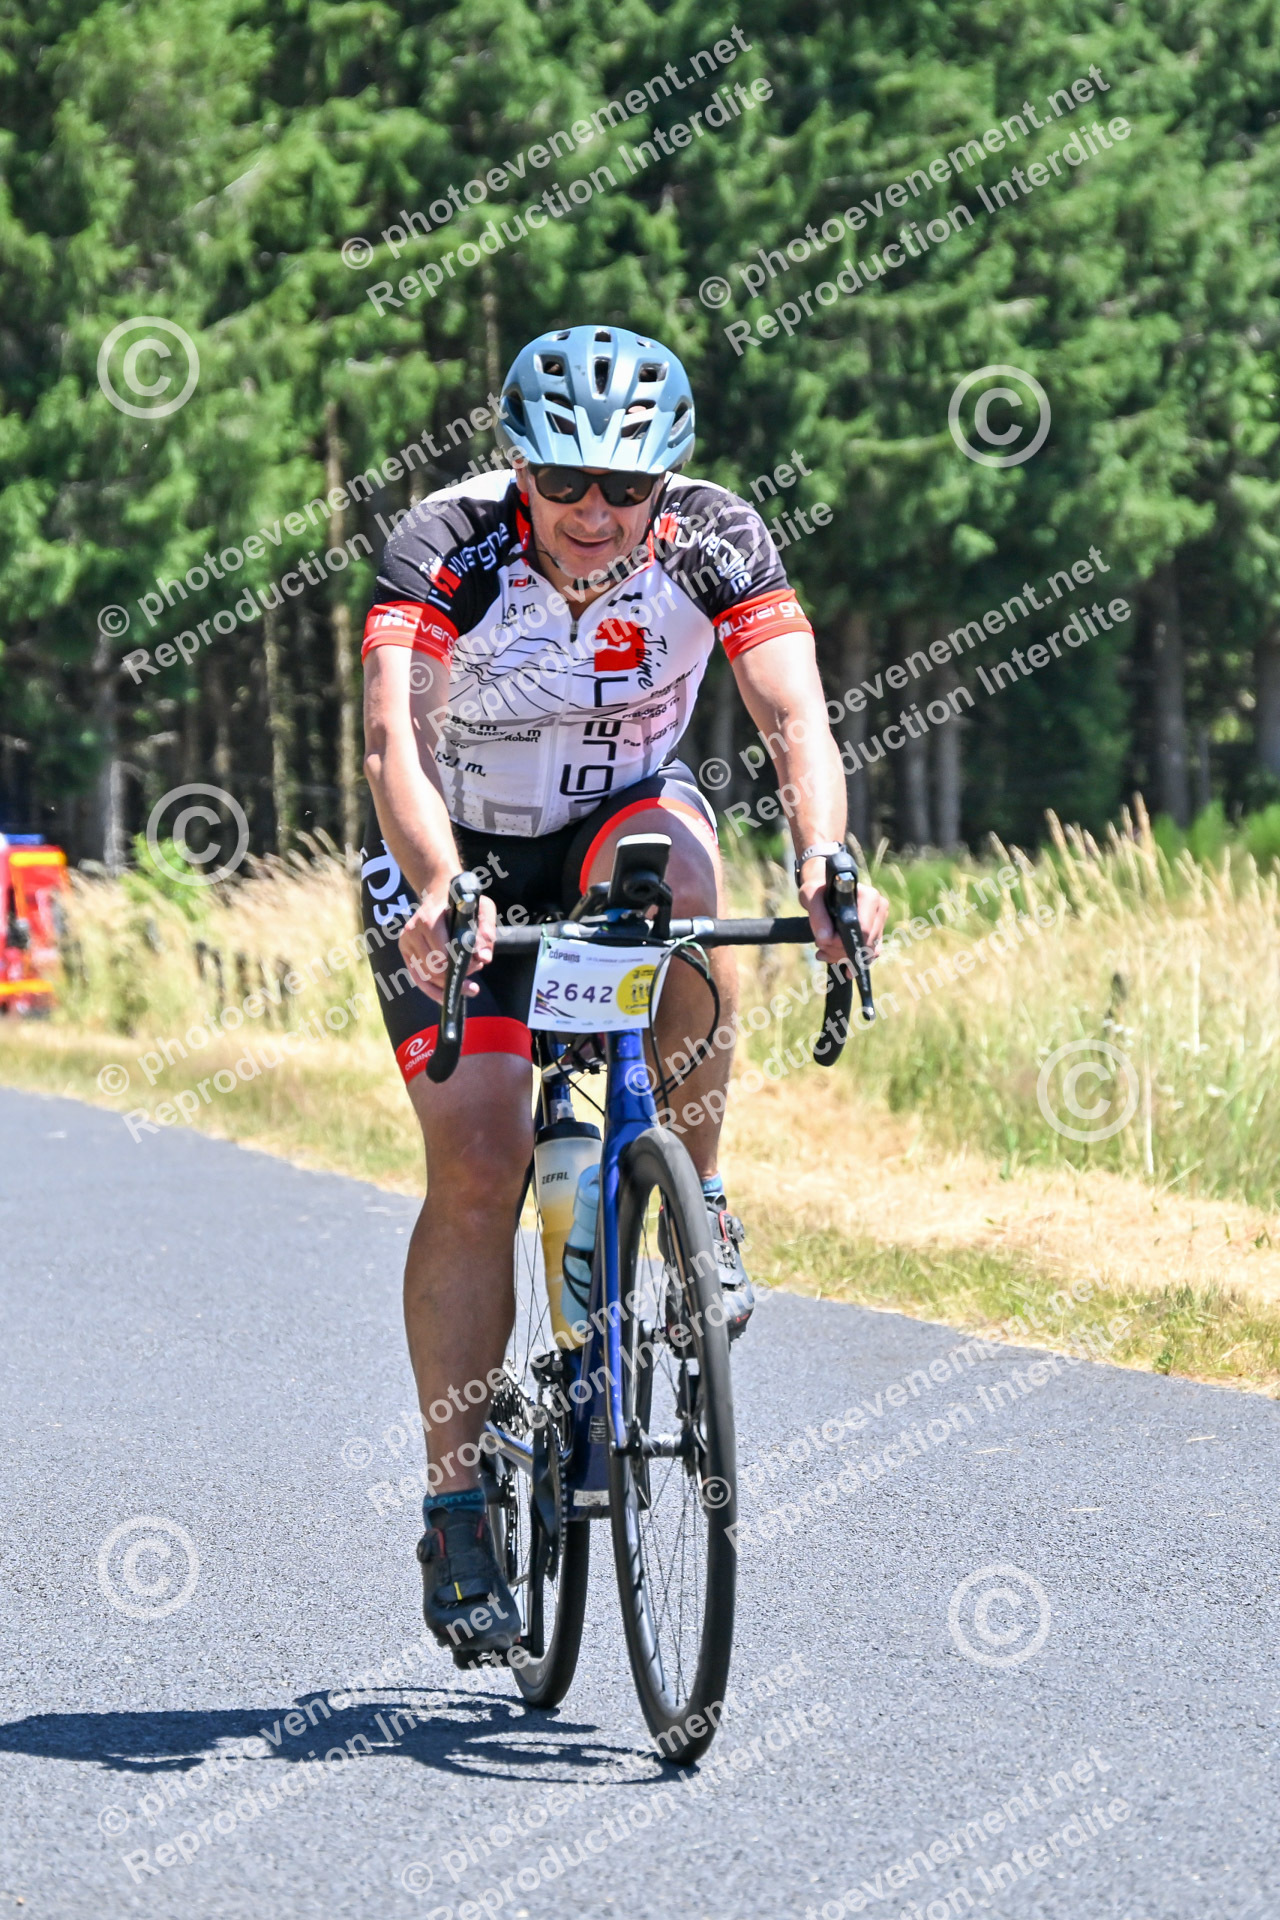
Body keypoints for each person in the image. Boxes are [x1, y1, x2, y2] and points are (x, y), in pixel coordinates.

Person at [359, 323, 888, 1661]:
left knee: (685, 888)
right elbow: (393, 738)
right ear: (519, 468)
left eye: (627, 485)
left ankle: (696, 1198)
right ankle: (457, 1506)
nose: (594, 511)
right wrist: (437, 888)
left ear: (668, 482)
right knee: (481, 1163)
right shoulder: (444, 545)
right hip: (459, 854)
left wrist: (827, 862)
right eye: (564, 480)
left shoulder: (718, 539)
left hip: (621, 822)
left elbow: (793, 720)